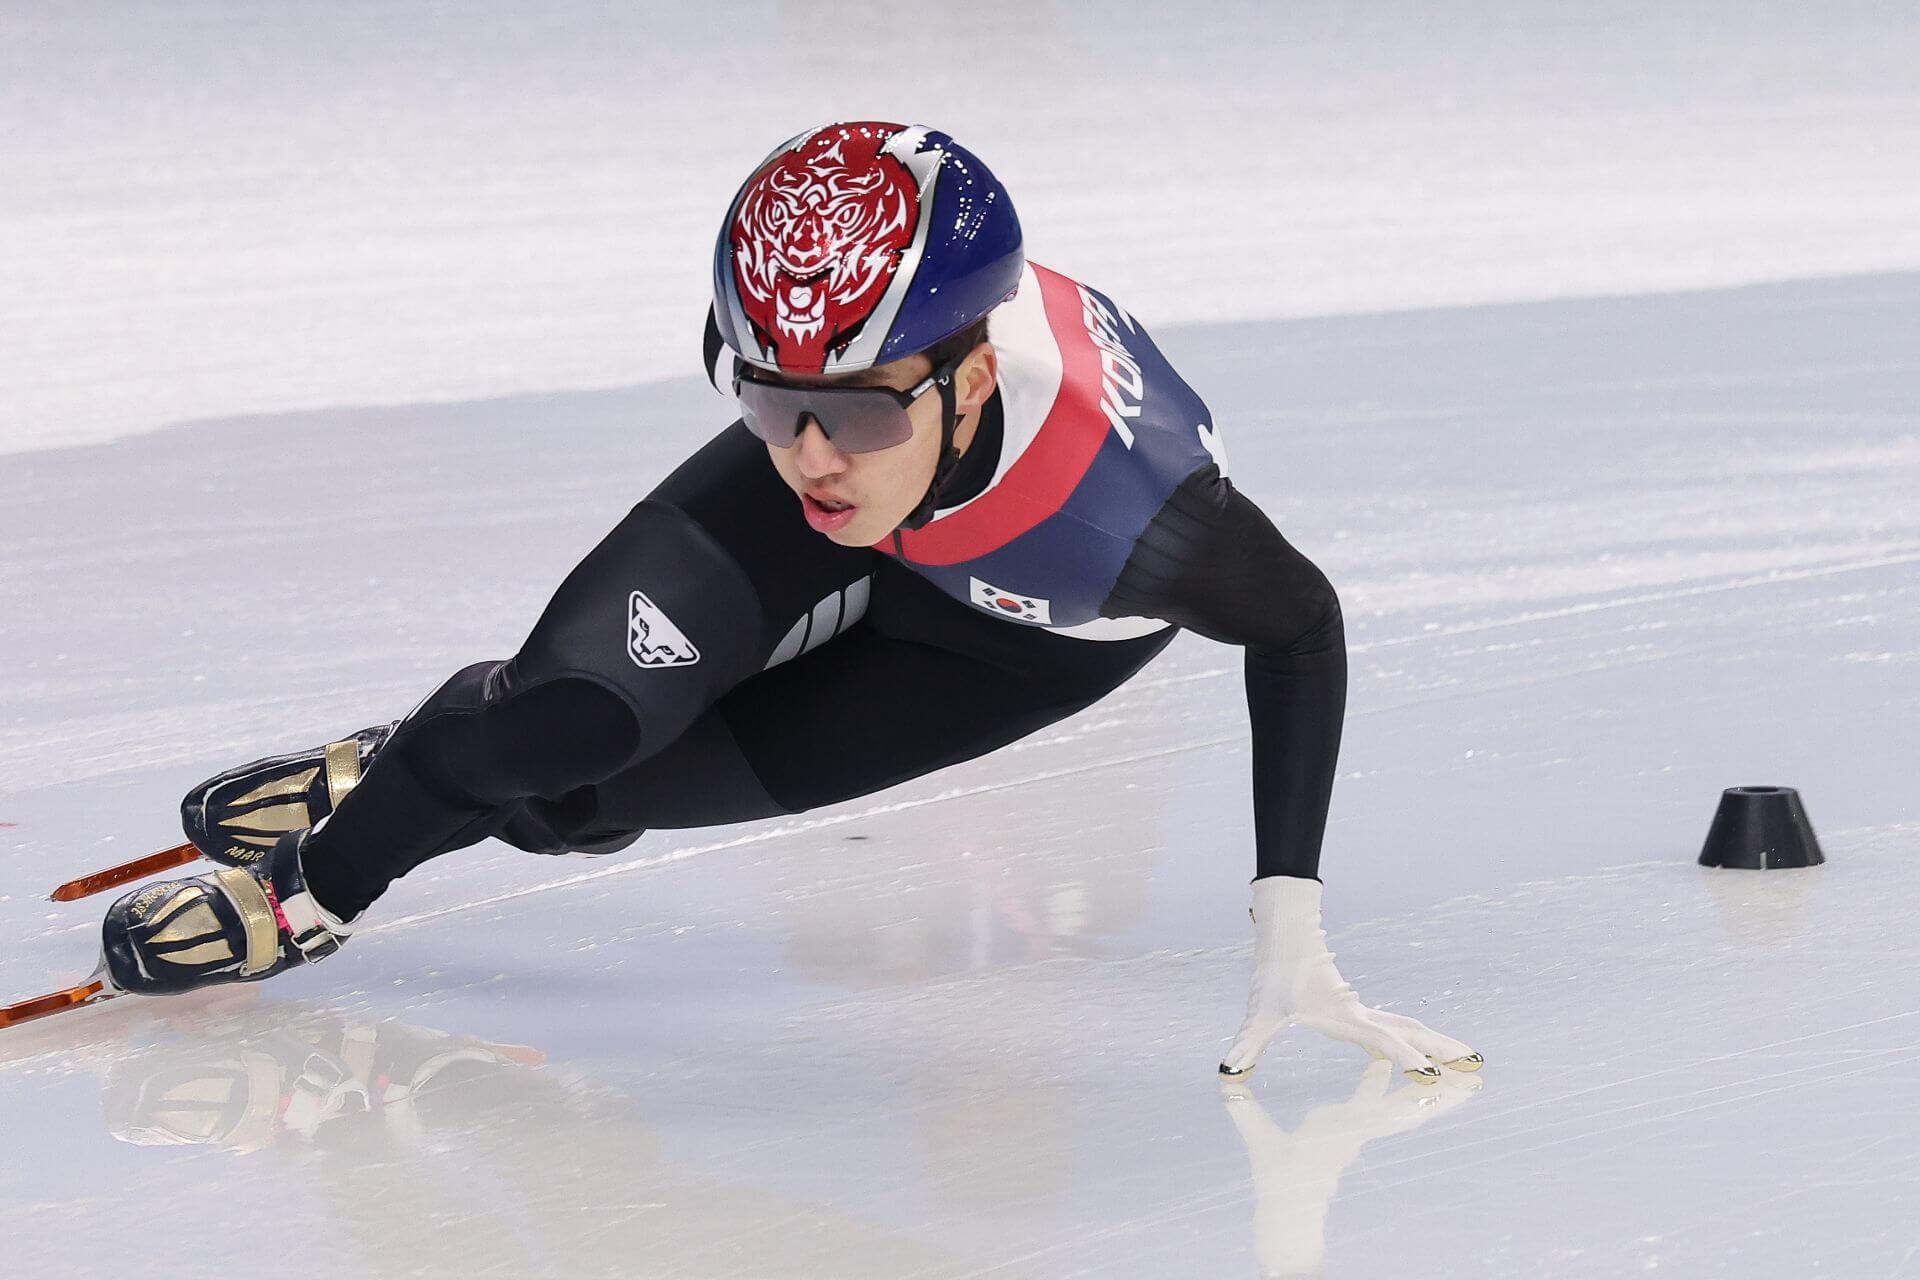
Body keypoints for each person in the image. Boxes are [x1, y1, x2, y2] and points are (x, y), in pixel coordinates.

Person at [99, 121, 1480, 1083]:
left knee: (583, 808)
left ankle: (397, 769)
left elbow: (1300, 625)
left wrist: (1289, 927)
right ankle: (324, 872)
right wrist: (831, 413)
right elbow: (823, 416)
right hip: (922, 497)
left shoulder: (1132, 521)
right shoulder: (840, 401)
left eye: (849, 416)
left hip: (1009, 640)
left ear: (973, 382)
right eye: (766, 397)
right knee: (568, 719)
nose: (809, 456)